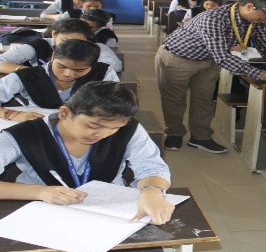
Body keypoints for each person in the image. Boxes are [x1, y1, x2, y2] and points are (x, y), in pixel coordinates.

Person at [0, 81, 175, 225]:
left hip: (109, 208)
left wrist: (152, 192)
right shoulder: (22, 134)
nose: (103, 134)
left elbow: (151, 166)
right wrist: (40, 192)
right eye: (93, 125)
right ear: (64, 113)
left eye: (115, 128)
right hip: (40, 208)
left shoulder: (130, 130)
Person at [156, 0, 266, 153]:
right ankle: (174, 134)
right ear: (249, 6)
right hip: (178, 58)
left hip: (208, 62)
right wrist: (259, 74)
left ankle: (200, 137)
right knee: (174, 99)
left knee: (204, 101)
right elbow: (223, 57)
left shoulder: (257, 19)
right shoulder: (213, 19)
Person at [0, 39, 119, 114]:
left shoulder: (104, 72)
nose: (68, 74)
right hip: (38, 125)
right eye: (61, 66)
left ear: (93, 65)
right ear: (52, 57)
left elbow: (116, 104)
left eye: (80, 70)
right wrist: (12, 115)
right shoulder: (27, 75)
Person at [0, 19, 122, 73]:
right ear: (54, 34)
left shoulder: (95, 47)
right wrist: (32, 72)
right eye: (64, 40)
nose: (70, 45)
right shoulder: (38, 46)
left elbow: (115, 66)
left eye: (78, 41)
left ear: (86, 39)